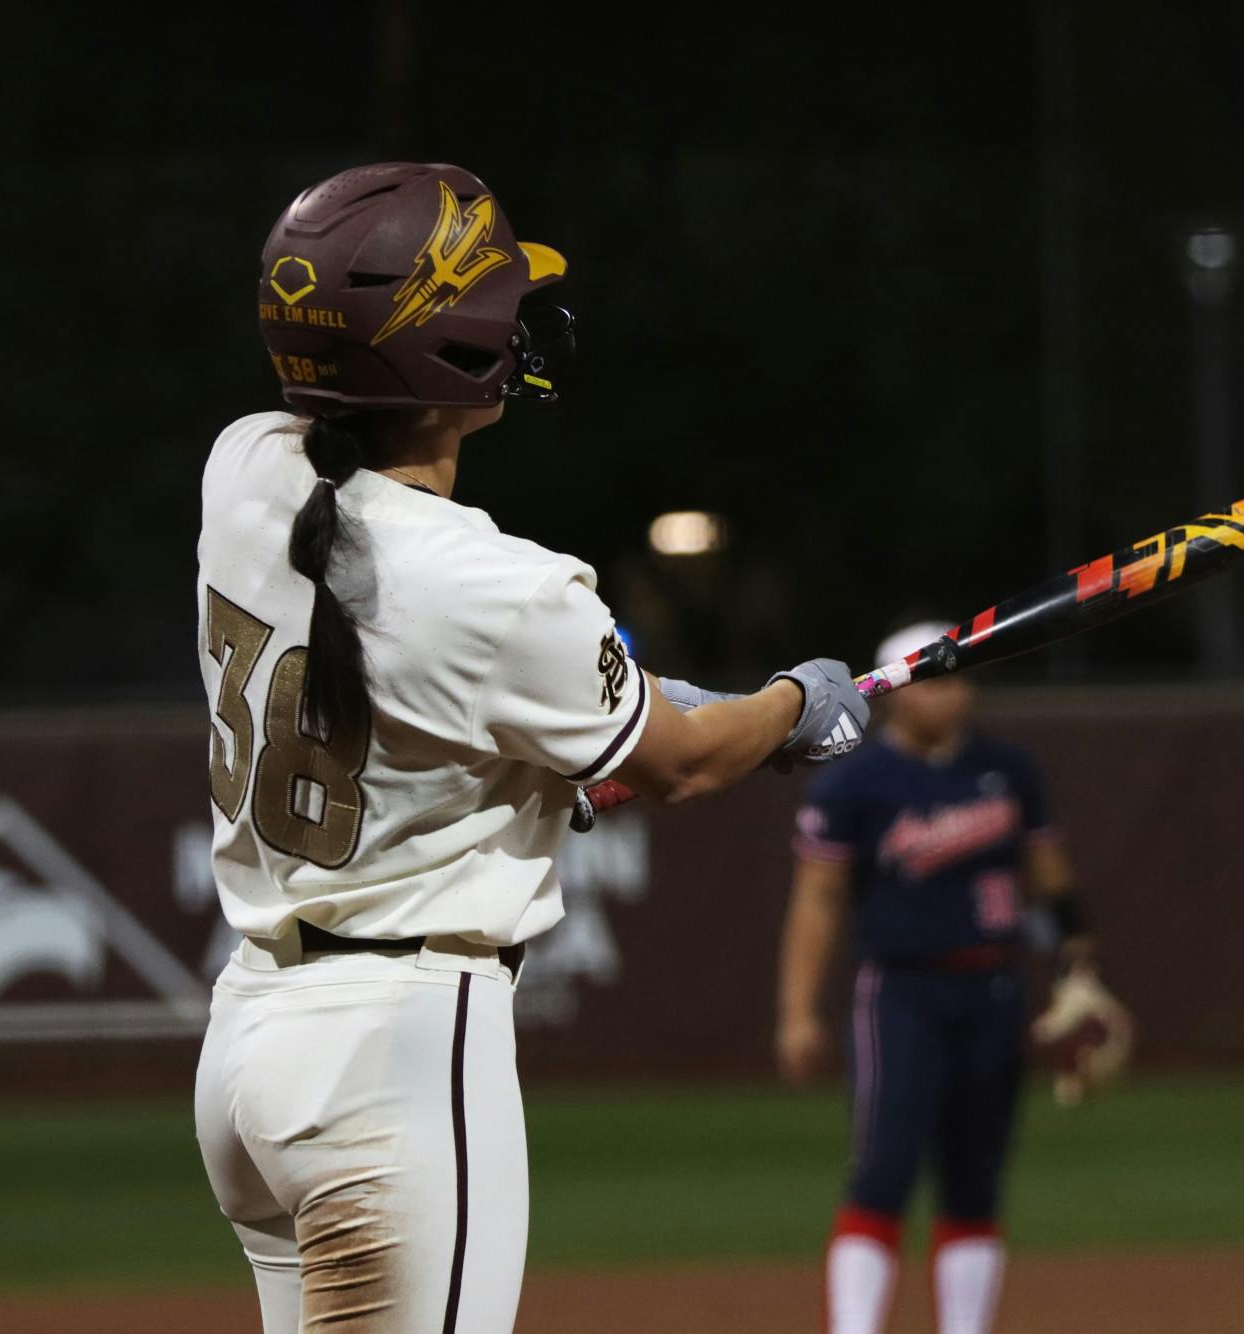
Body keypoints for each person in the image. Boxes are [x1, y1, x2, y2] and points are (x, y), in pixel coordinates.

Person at [191, 162, 870, 1334]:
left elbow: (458, 700)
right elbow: (684, 759)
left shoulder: (244, 465)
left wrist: (627, 722)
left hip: (251, 1037)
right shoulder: (499, 585)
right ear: (442, 349)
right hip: (393, 1054)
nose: (517, 322)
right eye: (494, 304)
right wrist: (796, 701)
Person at [775, 622, 1108, 1334]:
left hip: (994, 988)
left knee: (974, 1180)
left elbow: (1051, 879)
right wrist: (798, 1010)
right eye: (936, 678)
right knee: (883, 1172)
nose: (954, 690)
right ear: (895, 692)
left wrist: (1079, 967)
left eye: (959, 676)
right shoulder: (854, 784)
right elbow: (818, 900)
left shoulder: (1007, 769)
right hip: (901, 992)